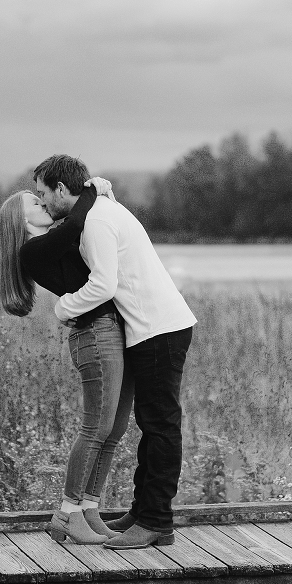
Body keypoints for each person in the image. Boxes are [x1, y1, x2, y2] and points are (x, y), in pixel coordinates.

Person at [35, 154, 196, 549]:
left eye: (43, 193)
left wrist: (62, 307)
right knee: (150, 424)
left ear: (61, 188)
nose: (41, 202)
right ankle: (143, 513)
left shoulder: (96, 220)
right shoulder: (100, 208)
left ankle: (156, 522)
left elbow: (103, 285)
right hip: (153, 327)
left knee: (160, 427)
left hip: (158, 328)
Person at [0, 162, 131, 546]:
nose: (44, 203)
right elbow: (76, 223)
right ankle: (68, 513)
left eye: (42, 197)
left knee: (115, 429)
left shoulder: (54, 237)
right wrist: (92, 189)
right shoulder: (33, 250)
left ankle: (89, 508)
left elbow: (95, 237)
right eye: (36, 204)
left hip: (107, 329)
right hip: (93, 335)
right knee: (96, 428)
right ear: (20, 223)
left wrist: (102, 197)